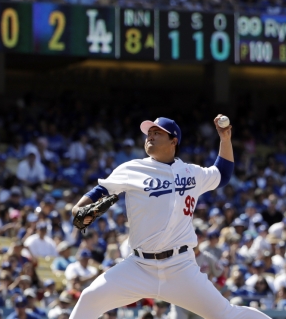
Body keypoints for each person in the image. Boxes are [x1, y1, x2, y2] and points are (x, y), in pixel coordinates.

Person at [70, 116, 272, 319]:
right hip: (139, 266)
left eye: (156, 133)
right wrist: (79, 208)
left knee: (225, 314)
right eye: (148, 133)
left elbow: (222, 173)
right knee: (90, 299)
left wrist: (225, 139)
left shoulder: (192, 172)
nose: (150, 137)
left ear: (173, 140)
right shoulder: (132, 169)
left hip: (180, 267)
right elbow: (99, 191)